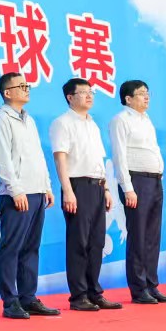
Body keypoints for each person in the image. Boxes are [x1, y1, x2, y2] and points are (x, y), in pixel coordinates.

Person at [0, 72, 58, 318]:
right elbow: (2, 158)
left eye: (27, 85)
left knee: (31, 248)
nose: (26, 89)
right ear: (7, 93)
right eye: (21, 86)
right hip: (17, 194)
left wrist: (47, 186)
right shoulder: (1, 118)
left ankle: (28, 298)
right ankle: (10, 302)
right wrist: (15, 189)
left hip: (37, 191)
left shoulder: (29, 119)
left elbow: (38, 156)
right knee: (12, 248)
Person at [52, 78, 118, 312]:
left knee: (96, 242)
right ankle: (79, 296)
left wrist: (106, 189)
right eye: (83, 92)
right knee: (78, 243)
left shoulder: (92, 124)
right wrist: (68, 191)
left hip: (97, 186)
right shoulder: (62, 123)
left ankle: (94, 292)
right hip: (77, 186)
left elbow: (98, 160)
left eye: (91, 92)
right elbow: (60, 158)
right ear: (70, 97)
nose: (89, 96)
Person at [110, 80, 166, 305]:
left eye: (148, 93)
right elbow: (119, 156)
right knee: (138, 236)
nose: (146, 97)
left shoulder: (146, 120)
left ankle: (152, 285)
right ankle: (138, 289)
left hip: (154, 181)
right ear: (128, 99)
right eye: (141, 94)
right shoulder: (120, 120)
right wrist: (127, 188)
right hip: (136, 181)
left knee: (153, 236)